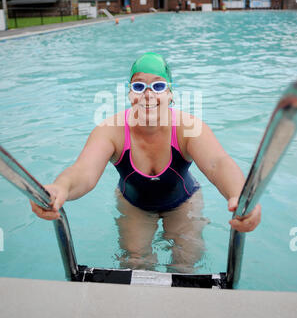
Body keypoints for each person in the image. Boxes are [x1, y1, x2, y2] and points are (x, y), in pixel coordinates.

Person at [30, 52, 261, 273]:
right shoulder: (111, 131)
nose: (148, 95)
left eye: (159, 86)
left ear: (171, 94)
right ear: (130, 94)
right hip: (134, 205)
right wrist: (60, 188)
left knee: (186, 262)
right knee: (135, 262)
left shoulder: (187, 128)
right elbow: (84, 172)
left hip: (184, 202)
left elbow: (217, 164)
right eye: (139, 86)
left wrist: (242, 196)